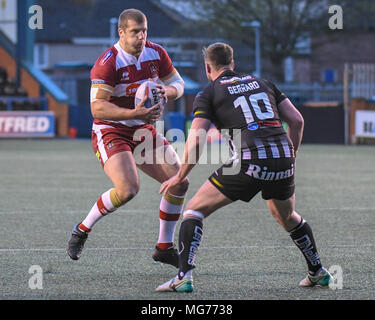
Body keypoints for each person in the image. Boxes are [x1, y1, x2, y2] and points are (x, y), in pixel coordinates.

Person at [156, 42, 332, 292]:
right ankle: (317, 270)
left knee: (193, 211)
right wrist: (290, 156)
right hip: (282, 157)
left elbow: (196, 139)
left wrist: (180, 176)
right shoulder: (264, 83)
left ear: (208, 67)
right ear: (233, 63)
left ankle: (183, 276)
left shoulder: (209, 92)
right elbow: (296, 120)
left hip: (250, 160)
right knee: (286, 215)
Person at [67, 8, 189, 268]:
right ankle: (82, 229)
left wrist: (165, 90)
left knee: (179, 181)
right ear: (121, 32)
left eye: (144, 31)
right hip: (111, 130)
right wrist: (134, 112)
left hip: (144, 130)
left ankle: (164, 247)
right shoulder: (108, 62)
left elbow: (179, 85)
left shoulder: (156, 53)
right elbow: (97, 107)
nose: (141, 37)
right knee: (128, 190)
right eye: (135, 32)